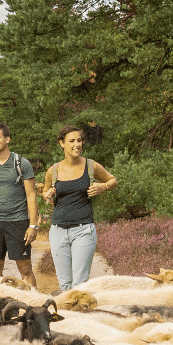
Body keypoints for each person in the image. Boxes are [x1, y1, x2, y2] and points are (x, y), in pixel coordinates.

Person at [45, 124, 115, 289]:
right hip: (58, 231)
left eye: (79, 140)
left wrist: (102, 186)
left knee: (80, 284)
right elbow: (45, 191)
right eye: (72, 141)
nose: (77, 144)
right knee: (65, 285)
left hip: (83, 230)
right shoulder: (53, 170)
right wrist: (47, 194)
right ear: (62, 143)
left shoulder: (91, 166)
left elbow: (113, 181)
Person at [0, 123, 39, 285]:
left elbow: (31, 196)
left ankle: (33, 299)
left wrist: (33, 225)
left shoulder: (22, 164)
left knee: (25, 269)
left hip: (18, 223)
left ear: (7, 139)